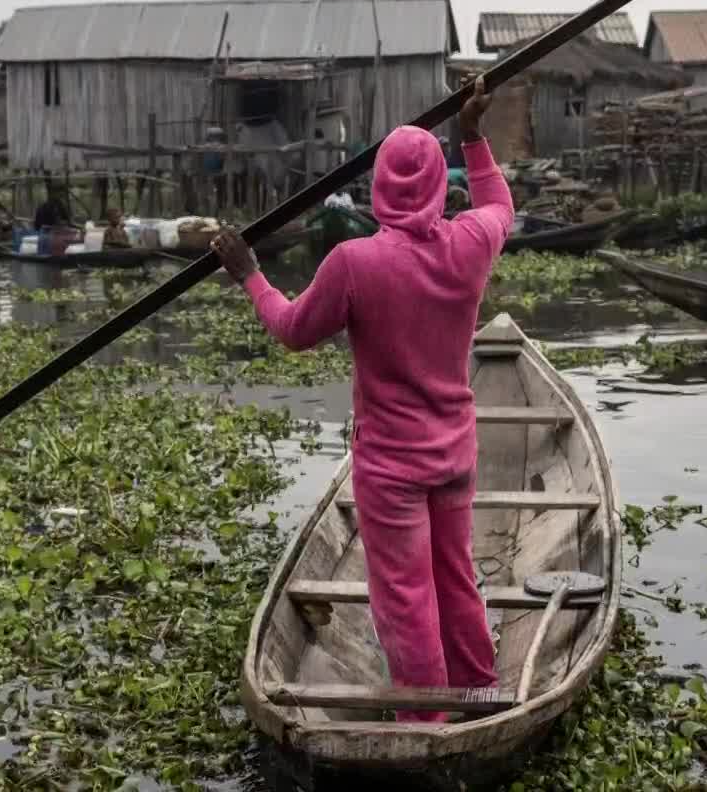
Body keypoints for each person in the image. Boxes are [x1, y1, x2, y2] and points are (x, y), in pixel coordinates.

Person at [212, 83, 509, 722]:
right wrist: (474, 136)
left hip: (391, 469)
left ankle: (425, 718)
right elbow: (498, 203)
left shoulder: (355, 262)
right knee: (454, 576)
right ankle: (482, 693)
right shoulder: (469, 245)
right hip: (455, 454)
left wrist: (251, 276)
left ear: (378, 188)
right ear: (437, 186)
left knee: (405, 597)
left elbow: (292, 331)